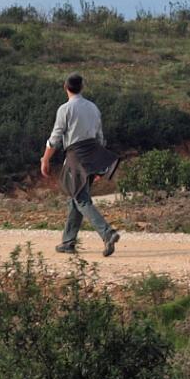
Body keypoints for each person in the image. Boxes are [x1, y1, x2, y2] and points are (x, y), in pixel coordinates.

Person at [39, 72, 120, 256]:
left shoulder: (65, 109)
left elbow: (55, 138)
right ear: (82, 87)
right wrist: (99, 165)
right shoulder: (93, 108)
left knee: (80, 198)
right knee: (76, 197)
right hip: (93, 154)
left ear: (65, 87)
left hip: (76, 156)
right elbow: (100, 137)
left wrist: (45, 159)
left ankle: (107, 233)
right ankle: (68, 242)